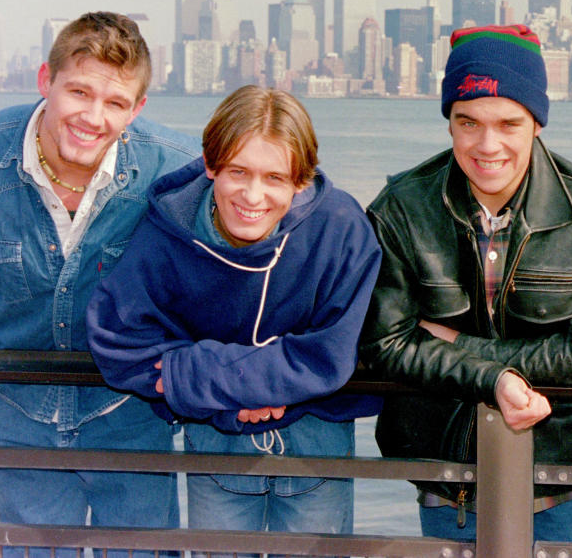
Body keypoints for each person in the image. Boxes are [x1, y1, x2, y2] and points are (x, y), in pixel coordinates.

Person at [0, 12, 198, 548]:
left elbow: (206, 276)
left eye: (115, 103)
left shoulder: (176, 171)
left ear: (136, 109)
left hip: (132, 412)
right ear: (46, 81)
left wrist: (176, 375)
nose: (93, 116)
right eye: (78, 92)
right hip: (18, 410)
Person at [358, 24, 572, 543]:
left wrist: (464, 346)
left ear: (537, 123)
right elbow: (383, 343)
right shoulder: (401, 208)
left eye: (508, 123)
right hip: (447, 481)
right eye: (469, 122)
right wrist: (494, 379)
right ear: (449, 123)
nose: (488, 145)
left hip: (565, 480)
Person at [87, 85, 382, 544]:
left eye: (275, 178)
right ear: (210, 166)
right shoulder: (169, 231)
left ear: (301, 179)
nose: (253, 195)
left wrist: (195, 376)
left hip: (317, 439)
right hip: (213, 442)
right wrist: (243, 390)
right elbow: (116, 339)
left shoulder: (340, 227)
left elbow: (338, 350)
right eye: (237, 172)